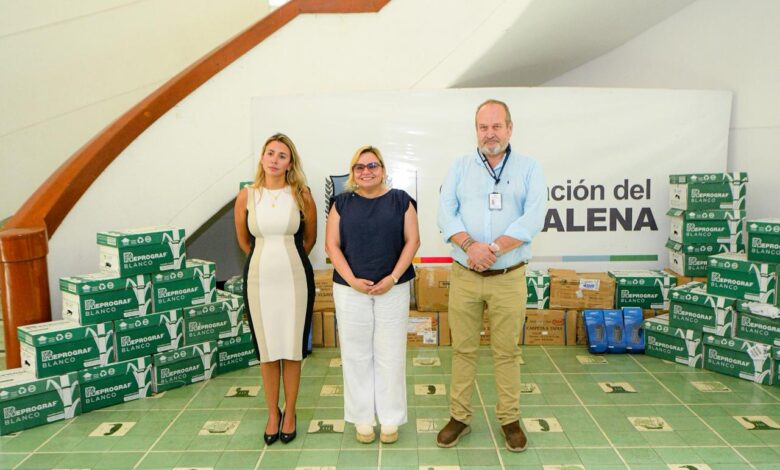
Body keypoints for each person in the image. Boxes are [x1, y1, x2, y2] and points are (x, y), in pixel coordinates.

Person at [436, 99, 546, 452]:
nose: (490, 134)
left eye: (497, 126)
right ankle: (459, 417)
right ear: (476, 130)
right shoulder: (459, 167)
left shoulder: (529, 168)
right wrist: (471, 247)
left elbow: (532, 219)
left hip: (509, 276)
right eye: (483, 127)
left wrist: (493, 249)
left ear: (510, 128)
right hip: (466, 274)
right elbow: (445, 214)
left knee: (507, 351)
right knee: (462, 349)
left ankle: (509, 419)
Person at [325, 145, 420, 444]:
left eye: (372, 165)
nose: (366, 171)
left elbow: (413, 241)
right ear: (352, 172)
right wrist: (352, 280)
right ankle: (362, 419)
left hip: (393, 288)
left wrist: (392, 278)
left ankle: (391, 419)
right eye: (360, 167)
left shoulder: (401, 200)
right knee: (355, 355)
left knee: (391, 354)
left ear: (383, 170)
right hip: (350, 290)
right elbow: (331, 245)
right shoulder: (340, 203)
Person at [234, 132, 317, 446]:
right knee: (268, 351)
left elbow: (309, 239)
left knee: (292, 349)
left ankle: (291, 411)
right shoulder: (247, 196)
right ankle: (273, 413)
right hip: (259, 282)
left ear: (290, 163)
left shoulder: (301, 194)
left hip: (295, 281)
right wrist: (264, 261)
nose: (274, 160)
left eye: (282, 155)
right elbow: (244, 241)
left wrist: (287, 261)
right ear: (262, 157)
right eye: (270, 153)